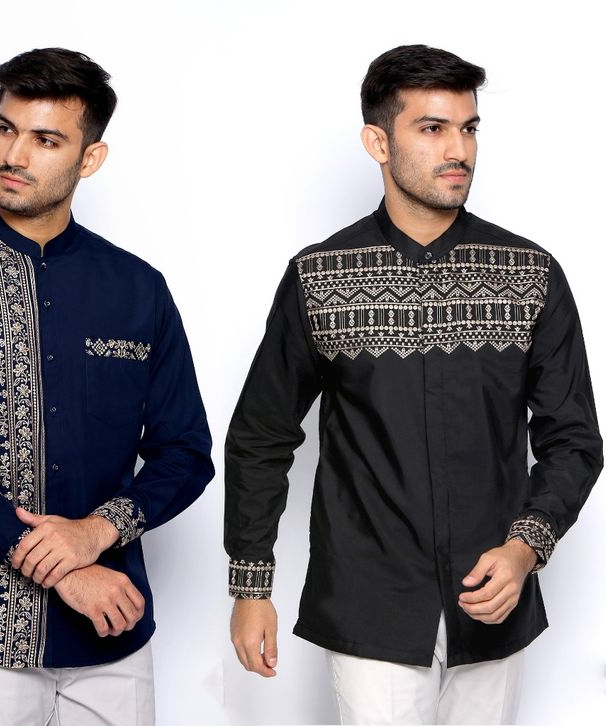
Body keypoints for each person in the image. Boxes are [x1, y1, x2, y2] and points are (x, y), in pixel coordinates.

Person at [224, 44, 602, 725]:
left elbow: (573, 439)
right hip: (370, 600)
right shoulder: (320, 277)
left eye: (468, 128)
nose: (458, 149)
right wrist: (251, 586)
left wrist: (525, 549)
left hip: (493, 600)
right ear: (378, 142)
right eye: (432, 128)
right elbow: (261, 435)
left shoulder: (529, 273)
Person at [0, 47, 213, 726]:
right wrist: (65, 569)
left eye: (46, 139)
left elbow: (185, 453)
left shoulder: (138, 289)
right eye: (6, 128)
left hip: (112, 627)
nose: (14, 154)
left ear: (90, 158)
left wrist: (95, 533)